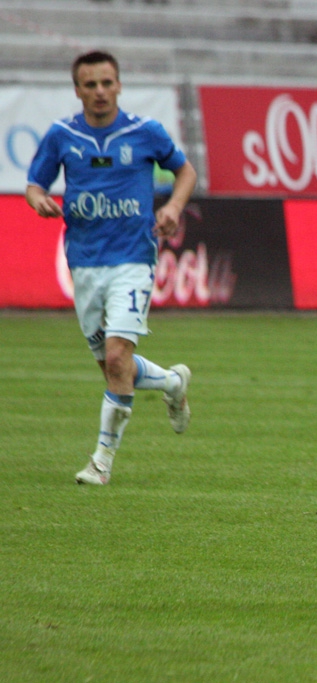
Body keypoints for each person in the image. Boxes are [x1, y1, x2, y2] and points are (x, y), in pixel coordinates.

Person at [26, 50, 198, 485]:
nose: (100, 92)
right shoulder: (63, 135)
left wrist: (174, 207)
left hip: (133, 259)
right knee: (113, 368)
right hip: (84, 263)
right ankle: (173, 383)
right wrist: (38, 200)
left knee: (119, 355)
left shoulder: (145, 132)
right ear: (78, 89)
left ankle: (101, 462)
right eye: (90, 85)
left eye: (107, 83)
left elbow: (186, 172)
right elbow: (34, 184)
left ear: (119, 84)